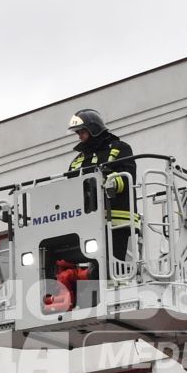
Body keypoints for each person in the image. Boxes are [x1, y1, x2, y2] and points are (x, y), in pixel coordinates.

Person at [63, 108, 136, 261]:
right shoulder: (78, 159)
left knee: (112, 268)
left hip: (116, 221)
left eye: (82, 131)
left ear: (93, 129)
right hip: (86, 223)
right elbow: (69, 186)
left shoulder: (119, 148)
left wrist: (100, 185)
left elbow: (126, 179)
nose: (79, 136)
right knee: (90, 272)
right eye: (77, 133)